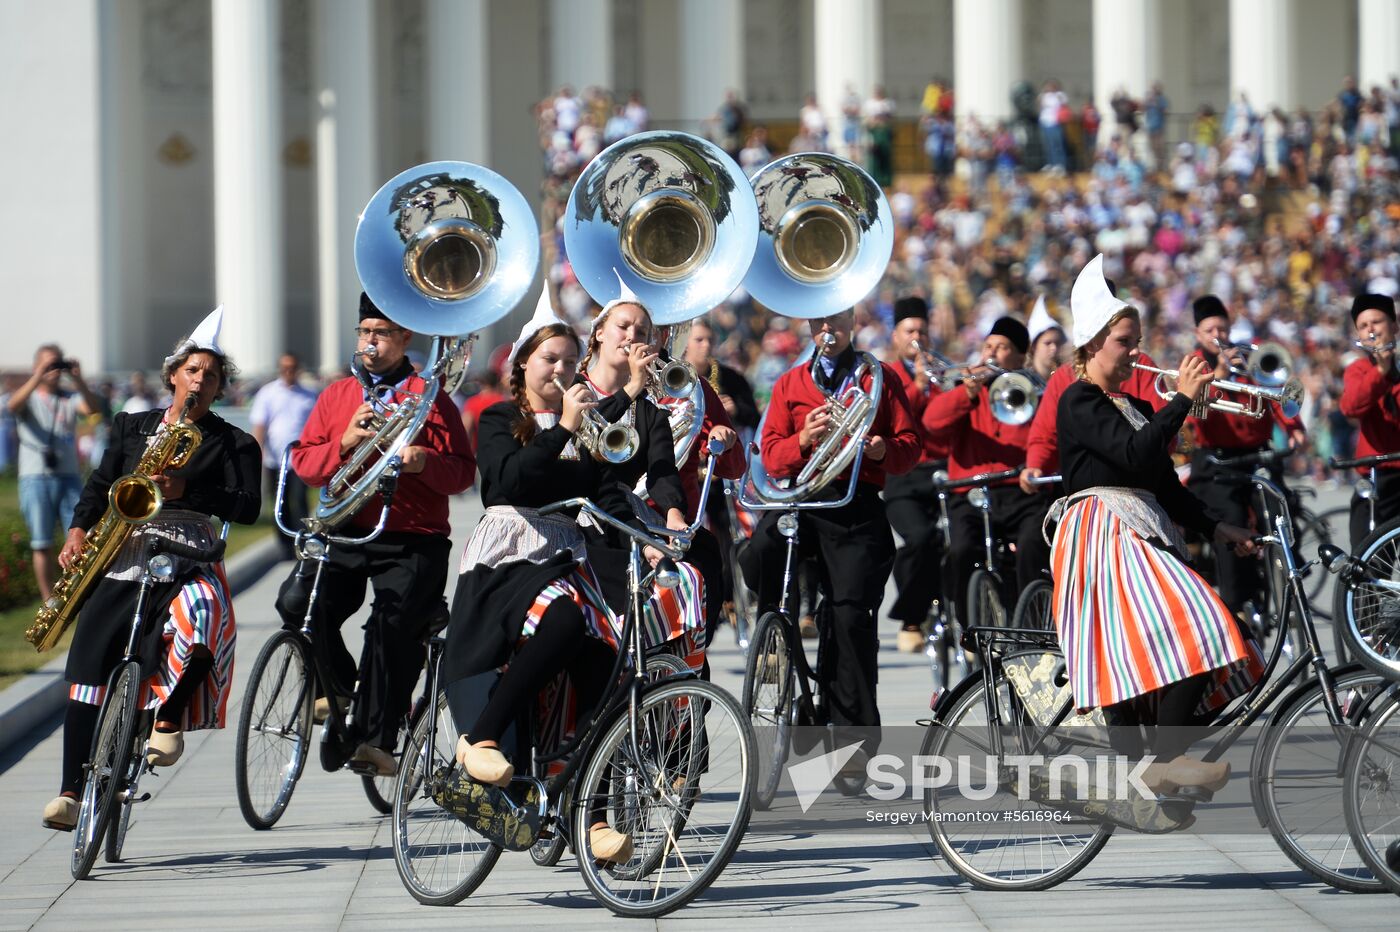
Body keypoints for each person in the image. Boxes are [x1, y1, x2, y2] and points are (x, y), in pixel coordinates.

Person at [42, 307, 261, 830]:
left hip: (187, 545)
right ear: (172, 376)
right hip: (124, 546)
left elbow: (247, 506)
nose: (201, 381)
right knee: (90, 667)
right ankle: (70, 792)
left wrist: (189, 490)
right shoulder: (131, 426)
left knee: (207, 617)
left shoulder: (235, 442)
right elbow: (100, 484)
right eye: (193, 371)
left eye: (211, 375)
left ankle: (168, 716)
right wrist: (77, 530)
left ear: (219, 389)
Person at [1049, 256, 1260, 795]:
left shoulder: (1133, 402)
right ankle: (1166, 759)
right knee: (1201, 620)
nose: (1137, 351)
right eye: (1125, 341)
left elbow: (1164, 482)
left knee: (1201, 631)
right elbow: (1133, 452)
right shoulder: (1079, 399)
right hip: (1102, 532)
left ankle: (1161, 761)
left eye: (1137, 339)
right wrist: (1184, 401)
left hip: (1136, 528)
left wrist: (1217, 527)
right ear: (1093, 344)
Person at [442, 299, 643, 864]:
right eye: (549, 359)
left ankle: (592, 810)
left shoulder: (586, 426)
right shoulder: (501, 419)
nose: (560, 370)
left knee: (606, 661)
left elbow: (605, 494)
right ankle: (480, 737)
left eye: (570, 361)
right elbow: (514, 481)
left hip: (563, 554)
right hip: (510, 555)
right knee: (561, 619)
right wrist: (565, 431)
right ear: (522, 363)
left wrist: (656, 535)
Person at [280, 292, 475, 776]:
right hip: (348, 530)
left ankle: (376, 740)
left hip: (413, 535)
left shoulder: (432, 398)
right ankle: (342, 689)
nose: (370, 342)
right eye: (364, 332)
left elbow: (463, 473)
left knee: (392, 624)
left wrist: (424, 461)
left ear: (404, 337)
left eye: (381, 333)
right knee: (298, 603)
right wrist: (343, 441)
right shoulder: (337, 396)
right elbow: (304, 464)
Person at [739, 309, 920, 744]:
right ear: (807, 326)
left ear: (852, 321)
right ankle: (779, 638)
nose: (827, 330)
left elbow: (910, 448)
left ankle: (853, 738)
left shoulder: (880, 379)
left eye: (836, 321)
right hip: (802, 502)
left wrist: (881, 450)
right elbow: (771, 456)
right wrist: (803, 440)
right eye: (818, 321)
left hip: (853, 505)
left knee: (850, 618)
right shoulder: (789, 382)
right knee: (760, 550)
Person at [577, 283, 710, 664]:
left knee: (695, 571)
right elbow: (590, 438)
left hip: (625, 510)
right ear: (599, 332)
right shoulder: (574, 391)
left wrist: (673, 514)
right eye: (623, 327)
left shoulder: (650, 411)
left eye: (641, 331)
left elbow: (663, 471)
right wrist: (634, 385)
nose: (631, 337)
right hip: (579, 514)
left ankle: (676, 696)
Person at [1185, 295, 1306, 618]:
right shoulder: (1194, 366)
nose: (1218, 336)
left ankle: (1293, 575)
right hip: (1217, 463)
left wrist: (1293, 426)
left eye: (1222, 328)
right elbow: (1196, 417)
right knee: (1231, 519)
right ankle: (1237, 604)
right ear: (1198, 334)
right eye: (1210, 330)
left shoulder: (1249, 354)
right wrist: (1221, 376)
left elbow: (1276, 390)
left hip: (1258, 455)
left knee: (1283, 507)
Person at [923, 317, 1044, 626]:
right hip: (971, 492)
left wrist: (1035, 467)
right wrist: (966, 393)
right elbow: (932, 424)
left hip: (1019, 490)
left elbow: (1046, 438)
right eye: (988, 346)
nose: (991, 353)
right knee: (961, 549)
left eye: (1002, 348)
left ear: (1020, 358)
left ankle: (1032, 621)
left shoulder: (1032, 391)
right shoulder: (965, 389)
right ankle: (969, 627)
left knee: (1033, 543)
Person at [881, 296, 950, 652]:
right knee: (920, 538)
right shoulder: (886, 374)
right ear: (896, 336)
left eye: (922, 330)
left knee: (958, 540)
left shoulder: (944, 370)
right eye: (910, 331)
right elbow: (894, 417)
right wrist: (918, 386)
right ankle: (910, 616)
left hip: (943, 471)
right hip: (903, 476)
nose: (917, 337)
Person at [684, 316, 760, 630]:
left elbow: (753, 414)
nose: (705, 347)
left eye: (709, 340)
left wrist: (735, 410)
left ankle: (728, 595)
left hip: (720, 473)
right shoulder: (677, 376)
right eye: (698, 340)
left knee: (727, 535)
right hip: (692, 472)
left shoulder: (728, 377)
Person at [8, 344, 100, 602]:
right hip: (35, 476)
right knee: (42, 541)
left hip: (68, 474)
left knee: (81, 534)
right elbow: (13, 406)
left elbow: (93, 409)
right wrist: (37, 376)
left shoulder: (68, 397)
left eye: (56, 365)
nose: (54, 371)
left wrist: (78, 378)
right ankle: (49, 600)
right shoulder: (31, 396)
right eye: (48, 365)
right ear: (36, 366)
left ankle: (76, 594)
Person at [1339, 293, 1400, 547]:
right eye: (1363, 326)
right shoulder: (1358, 370)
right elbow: (1351, 407)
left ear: (1394, 327)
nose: (1371, 330)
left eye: (1377, 322)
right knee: (1365, 559)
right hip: (1377, 477)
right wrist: (1380, 372)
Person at [249, 352, 318, 557]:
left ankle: (303, 542)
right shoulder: (268, 393)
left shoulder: (309, 394)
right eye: (284, 368)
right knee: (280, 504)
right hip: (275, 459)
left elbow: (316, 425)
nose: (288, 372)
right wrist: (257, 453)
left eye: (292, 368)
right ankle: (285, 546)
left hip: (300, 459)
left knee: (300, 500)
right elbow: (260, 425)